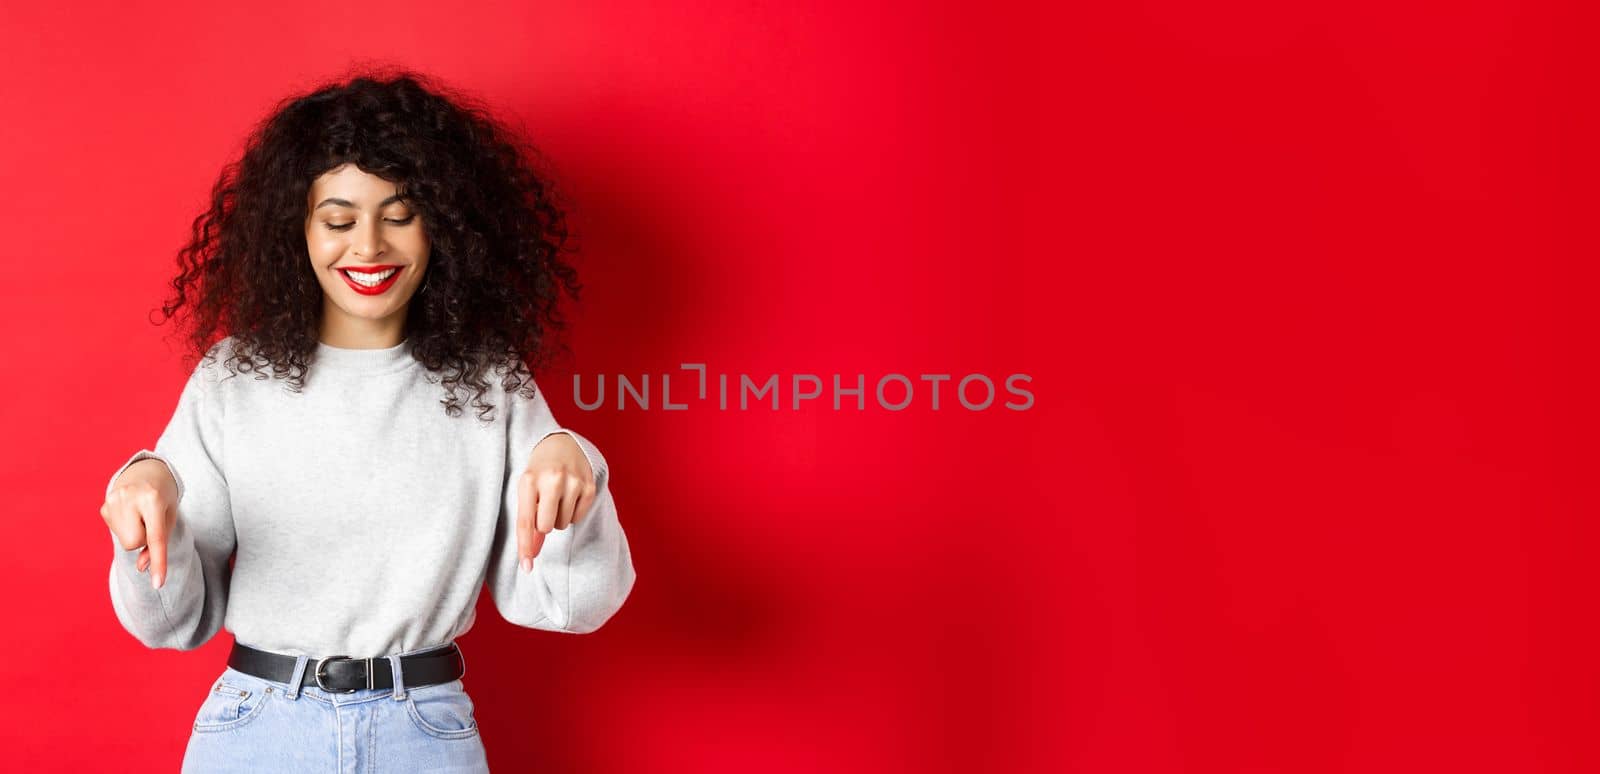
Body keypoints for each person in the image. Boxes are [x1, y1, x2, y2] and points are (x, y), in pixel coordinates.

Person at [97, 68, 637, 773]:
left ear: (444, 225)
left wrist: (576, 472)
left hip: (425, 731)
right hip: (258, 729)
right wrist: (146, 521)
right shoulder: (234, 378)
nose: (370, 246)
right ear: (298, 230)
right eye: (340, 220)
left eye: (401, 214)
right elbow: (172, 623)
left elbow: (567, 606)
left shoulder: (489, 381)